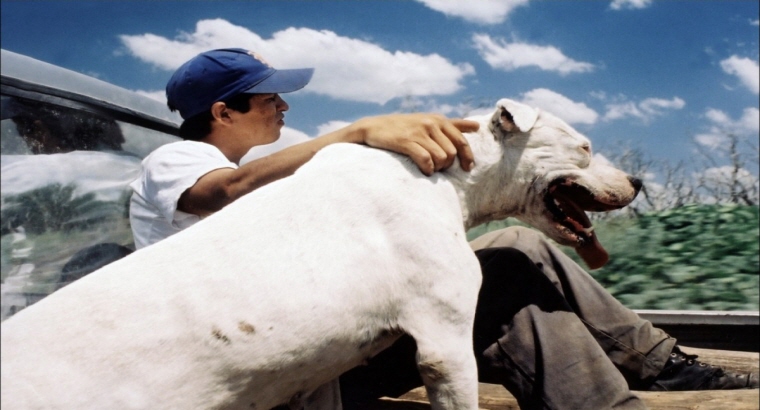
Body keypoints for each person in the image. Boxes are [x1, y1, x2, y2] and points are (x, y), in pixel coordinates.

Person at [130, 48, 758, 409]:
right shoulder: (178, 163)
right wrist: (354, 132)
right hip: (280, 373)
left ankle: (653, 365)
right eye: (270, 100)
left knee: (516, 245)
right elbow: (225, 193)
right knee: (512, 256)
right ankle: (653, 374)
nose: (284, 108)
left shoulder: (271, 175)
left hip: (327, 351)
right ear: (221, 110)